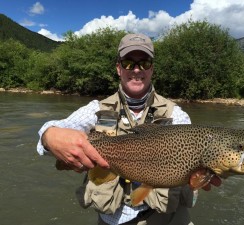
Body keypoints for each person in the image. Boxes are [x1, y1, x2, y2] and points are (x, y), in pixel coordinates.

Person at [37, 33, 221, 225]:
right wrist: (49, 136)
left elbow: (199, 158)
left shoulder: (176, 115)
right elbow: (45, 140)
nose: (136, 69)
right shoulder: (96, 110)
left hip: (168, 219)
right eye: (128, 63)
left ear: (152, 69)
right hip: (113, 220)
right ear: (118, 68)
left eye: (144, 63)